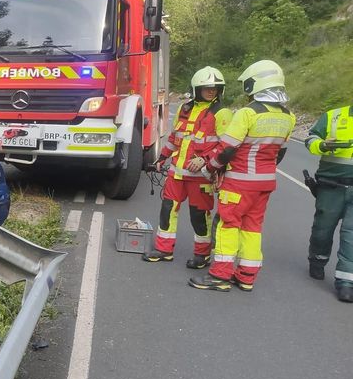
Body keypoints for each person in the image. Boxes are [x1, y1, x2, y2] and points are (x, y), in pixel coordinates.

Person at [189, 60, 295, 292]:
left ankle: (220, 275)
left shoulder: (247, 114)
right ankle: (247, 276)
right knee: (252, 228)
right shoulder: (288, 116)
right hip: (265, 184)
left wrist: (210, 168)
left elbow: (226, 149)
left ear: (254, 85)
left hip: (238, 183)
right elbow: (280, 153)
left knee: (228, 226)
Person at [143, 66, 229, 268]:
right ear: (197, 89)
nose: (211, 91)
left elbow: (226, 145)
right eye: (207, 88)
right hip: (176, 173)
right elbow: (175, 139)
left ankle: (202, 255)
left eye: (215, 88)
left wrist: (206, 159)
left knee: (199, 216)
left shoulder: (222, 113)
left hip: (201, 176)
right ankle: (164, 249)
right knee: (167, 210)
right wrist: (161, 158)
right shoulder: (184, 109)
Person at [304, 104, 353, 302]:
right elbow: (310, 139)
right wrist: (322, 145)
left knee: (351, 233)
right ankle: (317, 260)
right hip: (331, 185)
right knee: (322, 229)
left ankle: (346, 282)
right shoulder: (333, 116)